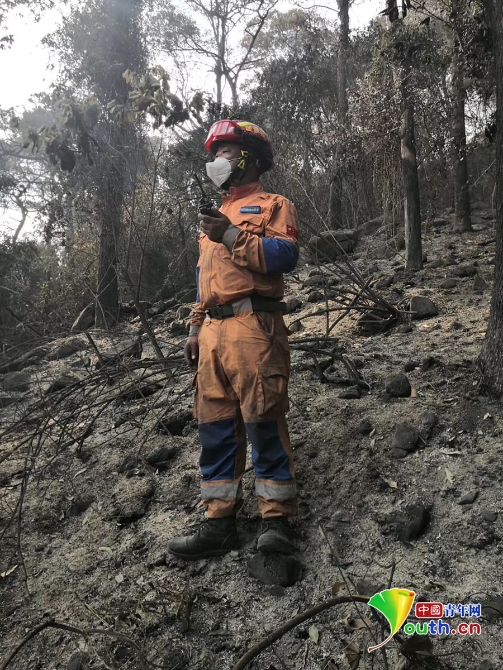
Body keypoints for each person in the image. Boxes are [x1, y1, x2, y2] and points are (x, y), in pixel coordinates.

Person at [168, 120, 300, 561]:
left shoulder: (274, 204)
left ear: (249, 158)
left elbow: (285, 256)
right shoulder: (213, 218)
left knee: (263, 418)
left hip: (253, 326)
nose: (217, 160)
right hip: (211, 333)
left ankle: (276, 521)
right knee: (215, 426)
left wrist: (230, 235)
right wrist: (194, 327)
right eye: (215, 153)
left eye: (225, 151)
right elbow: (205, 280)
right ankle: (219, 523)